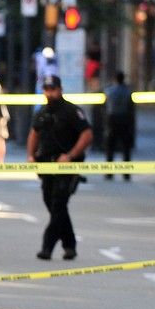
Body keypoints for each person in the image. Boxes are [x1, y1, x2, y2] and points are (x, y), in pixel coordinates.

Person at [27, 75, 93, 261]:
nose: (49, 93)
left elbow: (87, 135)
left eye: (52, 89)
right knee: (51, 202)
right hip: (46, 165)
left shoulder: (72, 111)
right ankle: (69, 245)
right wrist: (31, 156)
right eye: (46, 89)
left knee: (58, 203)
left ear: (60, 89)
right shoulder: (42, 112)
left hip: (67, 166)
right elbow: (34, 134)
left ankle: (47, 247)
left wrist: (70, 155)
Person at [103, 71, 135, 179]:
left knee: (110, 147)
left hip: (112, 120)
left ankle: (109, 173)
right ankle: (126, 173)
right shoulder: (128, 92)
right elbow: (131, 109)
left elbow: (105, 107)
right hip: (125, 120)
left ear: (114, 79)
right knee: (126, 148)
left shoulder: (109, 91)